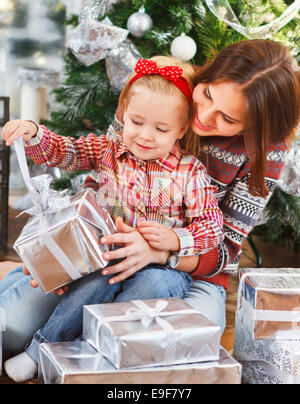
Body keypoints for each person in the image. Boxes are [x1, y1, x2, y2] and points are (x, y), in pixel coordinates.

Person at [0, 38, 298, 381]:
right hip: (101, 254)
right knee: (13, 329)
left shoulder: (220, 164)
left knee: (169, 352)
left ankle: (69, 362)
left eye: (228, 118)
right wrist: (59, 255)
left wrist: (162, 250)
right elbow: (88, 165)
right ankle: (21, 287)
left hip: (187, 272)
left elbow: (222, 244)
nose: (203, 116)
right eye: (207, 97)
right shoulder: (158, 90)